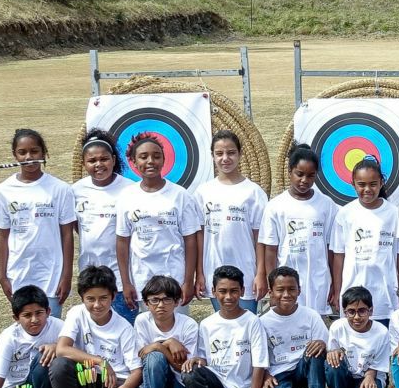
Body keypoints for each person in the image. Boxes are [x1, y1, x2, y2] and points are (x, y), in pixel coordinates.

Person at [51, 265, 143, 388]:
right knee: (59, 366)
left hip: (115, 383)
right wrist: (100, 361)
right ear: (82, 298)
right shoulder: (76, 313)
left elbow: (136, 371)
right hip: (88, 378)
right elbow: (61, 349)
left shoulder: (124, 328)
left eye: (103, 298)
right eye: (90, 299)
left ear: (113, 296)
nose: (97, 305)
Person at [0, 129, 76, 317]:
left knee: (51, 330)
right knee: (26, 329)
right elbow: (3, 235)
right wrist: (2, 275)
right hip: (19, 273)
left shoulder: (60, 189)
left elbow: (67, 235)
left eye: (34, 151)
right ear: (15, 155)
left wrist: (66, 275)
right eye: (22, 152)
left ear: (44, 152)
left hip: (51, 275)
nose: (29, 157)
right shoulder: (3, 191)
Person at [183, 265, 269, 388]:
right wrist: (198, 360)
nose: (228, 297)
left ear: (242, 291)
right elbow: (204, 359)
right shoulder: (206, 324)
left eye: (234, 291)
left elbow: (259, 366)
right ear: (213, 291)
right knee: (190, 372)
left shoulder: (252, 322)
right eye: (222, 291)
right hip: (219, 381)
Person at [115, 133, 202, 308]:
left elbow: (190, 241)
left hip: (174, 276)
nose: (150, 161)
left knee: (176, 331)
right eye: (143, 156)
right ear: (133, 161)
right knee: (148, 330)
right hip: (142, 277)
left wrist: (187, 280)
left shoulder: (180, 195)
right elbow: (122, 241)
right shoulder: (126, 196)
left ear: (163, 159)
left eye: (156, 156)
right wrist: (126, 282)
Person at [260, 144, 337, 318]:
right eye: (299, 174)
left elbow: (331, 248)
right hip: (286, 283)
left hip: (318, 281)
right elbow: (270, 250)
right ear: (289, 172)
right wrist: (272, 285)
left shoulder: (327, 205)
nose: (304, 180)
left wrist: (333, 282)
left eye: (311, 175)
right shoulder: (275, 206)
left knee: (315, 326)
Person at [197, 130, 268, 313]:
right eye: (219, 153)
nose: (225, 158)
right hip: (213, 269)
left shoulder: (254, 192)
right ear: (212, 155)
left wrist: (261, 273)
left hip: (246, 271)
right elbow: (199, 236)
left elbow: (260, 238)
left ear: (240, 154)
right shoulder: (203, 192)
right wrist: (199, 273)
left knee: (245, 325)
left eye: (231, 153)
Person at [330, 157, 399, 327]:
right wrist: (338, 290)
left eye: (373, 184)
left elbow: (398, 255)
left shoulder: (394, 213)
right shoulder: (345, 214)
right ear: (353, 184)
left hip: (385, 295)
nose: (367, 189)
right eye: (361, 184)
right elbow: (339, 257)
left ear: (381, 183)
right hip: (352, 292)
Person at [131, 275, 202, 388]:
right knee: (154, 358)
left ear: (177, 302)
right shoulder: (142, 321)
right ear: (146, 303)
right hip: (154, 380)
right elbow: (142, 355)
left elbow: (185, 369)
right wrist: (164, 345)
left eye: (167, 299)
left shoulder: (189, 325)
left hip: (181, 381)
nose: (160, 305)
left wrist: (161, 346)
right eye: (154, 300)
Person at [73, 128, 136, 322]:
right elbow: (77, 227)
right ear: (84, 164)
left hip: (122, 276)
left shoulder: (129, 189)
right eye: (92, 161)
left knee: (125, 327)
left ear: (114, 160)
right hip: (90, 274)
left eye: (104, 159)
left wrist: (127, 282)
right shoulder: (75, 191)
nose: (99, 164)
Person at [259, 266, 330, 388]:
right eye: (280, 290)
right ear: (270, 292)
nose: (286, 294)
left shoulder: (311, 315)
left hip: (304, 370)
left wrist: (323, 343)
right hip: (279, 374)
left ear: (299, 290)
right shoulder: (263, 322)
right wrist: (265, 375)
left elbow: (328, 344)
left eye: (291, 289)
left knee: (316, 349)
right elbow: (257, 356)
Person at [322, 286, 394, 388]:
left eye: (362, 311)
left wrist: (369, 377)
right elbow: (333, 354)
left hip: (370, 375)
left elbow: (379, 364)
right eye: (351, 311)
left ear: (371, 310)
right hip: (347, 377)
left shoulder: (381, 332)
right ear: (344, 311)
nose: (357, 317)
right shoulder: (337, 327)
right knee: (332, 364)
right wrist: (331, 353)